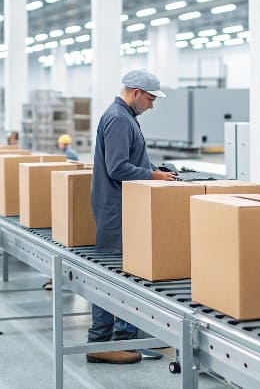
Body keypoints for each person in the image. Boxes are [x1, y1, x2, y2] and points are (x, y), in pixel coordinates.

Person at [85, 69, 176, 365]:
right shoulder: (119, 119)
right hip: (116, 210)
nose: (152, 105)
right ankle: (101, 342)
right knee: (111, 275)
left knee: (124, 274)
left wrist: (156, 169)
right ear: (135, 93)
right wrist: (153, 176)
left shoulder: (125, 117)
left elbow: (132, 159)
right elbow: (117, 167)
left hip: (123, 208)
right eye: (150, 99)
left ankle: (126, 339)